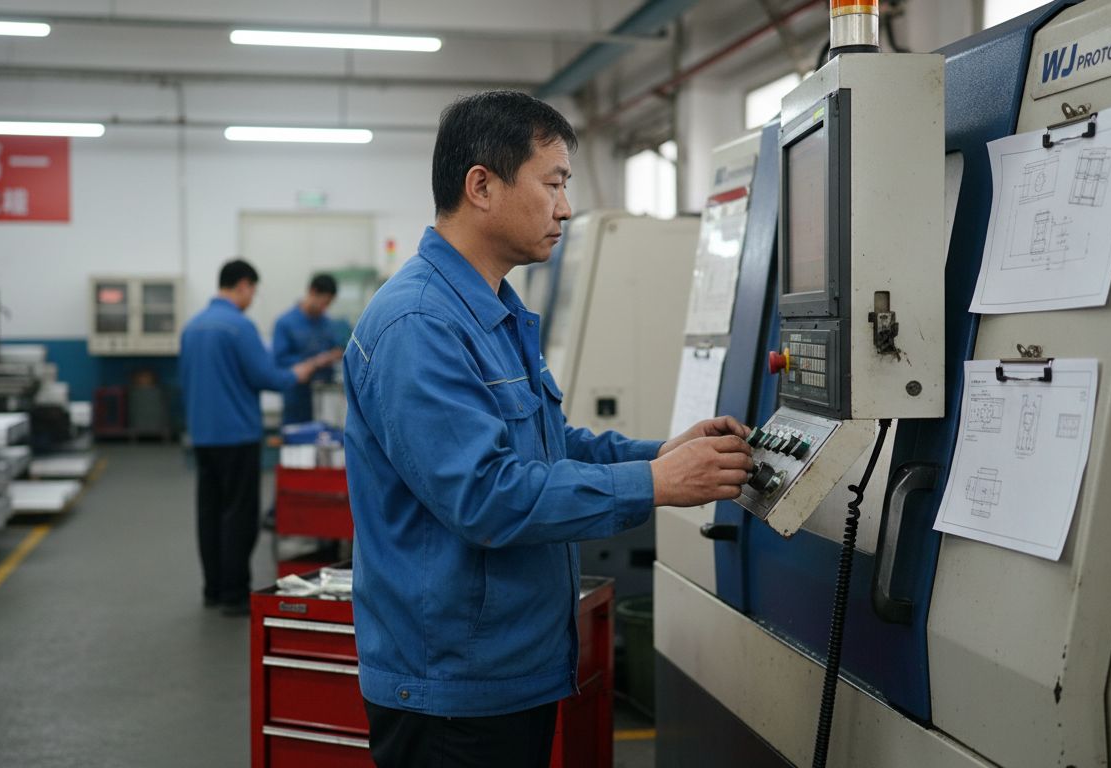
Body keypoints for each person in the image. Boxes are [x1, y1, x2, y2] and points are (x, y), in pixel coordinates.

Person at [342, 90, 755, 767]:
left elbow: (545, 445)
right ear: (482, 185)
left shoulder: (491, 309)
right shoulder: (419, 323)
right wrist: (652, 483)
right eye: (554, 183)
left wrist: (665, 453)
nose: (565, 206)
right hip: (452, 689)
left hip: (502, 669)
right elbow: (486, 496)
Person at [180, 259, 341, 616]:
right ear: (242, 285)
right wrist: (301, 371)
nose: (252, 298)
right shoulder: (239, 328)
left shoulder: (191, 328)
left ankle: (213, 588)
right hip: (237, 435)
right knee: (238, 515)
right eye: (252, 291)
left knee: (209, 512)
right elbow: (267, 376)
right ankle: (234, 595)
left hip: (202, 436)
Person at [272, 273, 344, 425]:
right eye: (323, 303)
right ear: (312, 292)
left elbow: (335, 347)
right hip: (296, 398)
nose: (325, 308)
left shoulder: (326, 323)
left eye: (328, 304)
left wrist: (335, 354)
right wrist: (314, 362)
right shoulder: (285, 323)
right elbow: (279, 360)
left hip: (324, 397)